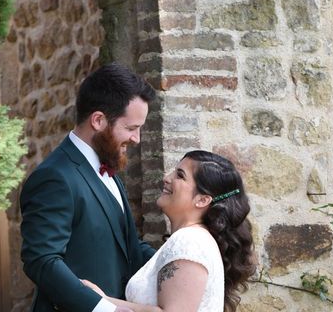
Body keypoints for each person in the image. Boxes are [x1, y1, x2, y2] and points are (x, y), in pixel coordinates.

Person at [20, 63, 157, 312]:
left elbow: (129, 248)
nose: (137, 139)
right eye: (131, 128)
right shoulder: (54, 177)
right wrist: (106, 309)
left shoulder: (107, 167)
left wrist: (183, 260)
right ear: (98, 120)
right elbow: (42, 261)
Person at [83, 150, 255, 312]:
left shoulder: (190, 241)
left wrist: (103, 301)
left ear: (202, 200)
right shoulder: (193, 238)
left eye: (180, 175)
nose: (166, 178)